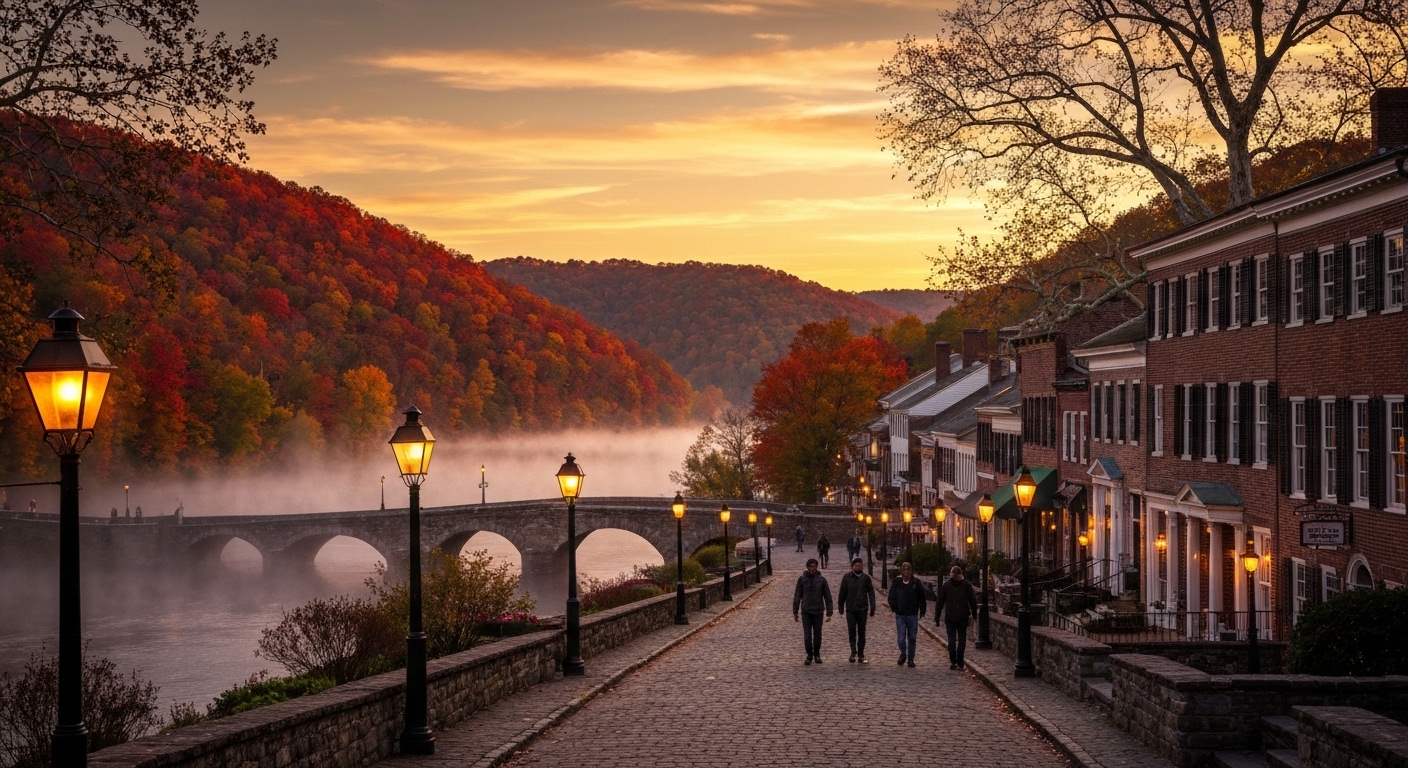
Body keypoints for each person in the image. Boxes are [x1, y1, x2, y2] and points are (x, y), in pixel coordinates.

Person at [792, 558, 833, 665]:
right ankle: (809, 654)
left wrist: (829, 612)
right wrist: (795, 611)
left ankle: (817, 654)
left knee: (818, 633)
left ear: (817, 567)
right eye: (810, 566)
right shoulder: (802, 579)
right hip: (806, 610)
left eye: (814, 566)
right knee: (807, 634)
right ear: (807, 567)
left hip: (818, 610)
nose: (812, 568)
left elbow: (827, 596)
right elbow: (797, 595)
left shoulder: (822, 580)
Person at [937, 564, 979, 670]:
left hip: (952, 617)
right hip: (961, 617)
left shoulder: (947, 585)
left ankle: (954, 661)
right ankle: (959, 661)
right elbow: (973, 601)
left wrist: (937, 617)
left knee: (952, 640)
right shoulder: (966, 585)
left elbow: (940, 602)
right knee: (961, 640)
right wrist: (974, 614)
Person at [887, 561, 927, 667]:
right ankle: (903, 653)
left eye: (908, 569)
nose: (907, 571)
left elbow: (922, 598)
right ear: (902, 571)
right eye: (904, 569)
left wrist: (922, 610)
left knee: (912, 637)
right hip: (900, 614)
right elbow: (891, 596)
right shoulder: (897, 582)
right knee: (901, 638)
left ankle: (910, 659)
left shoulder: (916, 583)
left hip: (912, 614)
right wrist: (894, 608)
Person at [836, 557, 876, 663]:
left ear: (862, 566)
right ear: (852, 566)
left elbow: (871, 593)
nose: (858, 567)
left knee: (862, 632)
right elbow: (842, 593)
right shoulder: (846, 578)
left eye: (859, 565)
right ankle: (853, 652)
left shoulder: (866, 578)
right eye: (856, 565)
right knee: (852, 631)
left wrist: (873, 606)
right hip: (850, 609)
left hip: (862, 608)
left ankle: (861, 654)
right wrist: (840, 606)